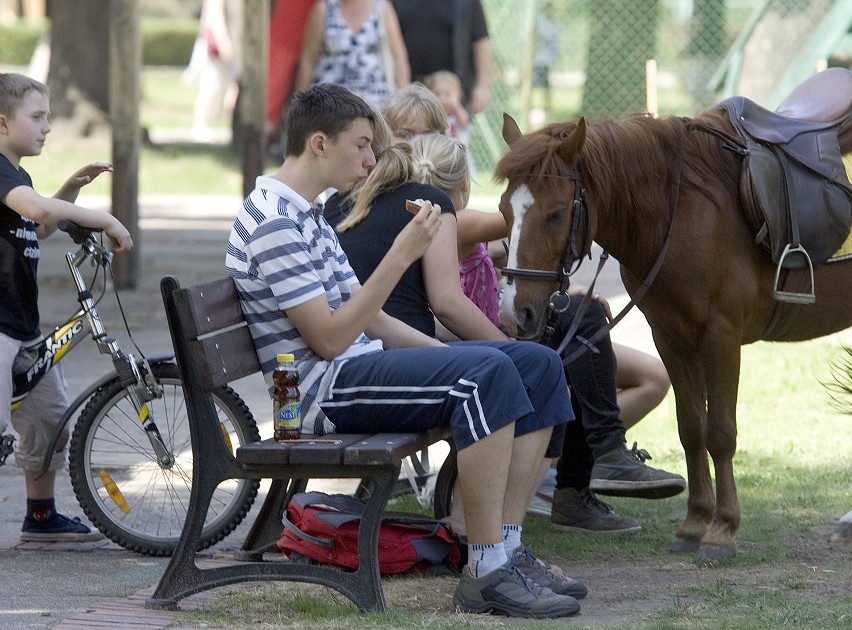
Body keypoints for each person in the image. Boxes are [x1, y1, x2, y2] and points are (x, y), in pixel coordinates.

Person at [225, 83, 584, 618]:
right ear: (319, 144)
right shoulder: (274, 222)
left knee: (535, 363)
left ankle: (506, 548)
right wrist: (400, 255)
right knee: (486, 372)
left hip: (354, 369)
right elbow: (328, 339)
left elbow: (376, 319)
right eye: (363, 145)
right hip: (317, 394)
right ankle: (485, 569)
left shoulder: (306, 213)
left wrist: (458, 356)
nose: (374, 158)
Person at [378, 87, 685, 533]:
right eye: (406, 134)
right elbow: (525, 217)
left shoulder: (443, 217)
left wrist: (552, 276)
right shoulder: (440, 215)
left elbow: (507, 245)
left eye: (427, 134)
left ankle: (585, 471)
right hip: (454, 343)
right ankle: (588, 466)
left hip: (467, 335)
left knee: (586, 331)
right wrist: (551, 177)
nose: (418, 146)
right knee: (573, 346)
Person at [0, 73, 133, 542]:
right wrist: (103, 217)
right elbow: (35, 211)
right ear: (2, 123)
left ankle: (40, 517)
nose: (47, 127)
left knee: (49, 419)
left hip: (23, 326)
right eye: (37, 117)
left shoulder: (19, 177)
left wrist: (70, 193)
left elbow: (38, 226)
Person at [295, 0, 410, 108]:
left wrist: (402, 101)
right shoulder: (323, 8)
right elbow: (307, 60)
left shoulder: (381, 7)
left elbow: (399, 56)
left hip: (375, 105)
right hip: (329, 107)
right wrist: (300, 106)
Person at [392, 0, 493, 115]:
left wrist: (483, 86)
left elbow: (481, 41)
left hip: (450, 95)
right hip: (410, 93)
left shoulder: (466, 2)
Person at [188, 0, 242, 140]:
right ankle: (199, 125)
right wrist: (224, 43)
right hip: (215, 47)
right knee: (209, 87)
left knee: (222, 86)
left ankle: (206, 124)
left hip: (225, 44)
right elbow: (215, 17)